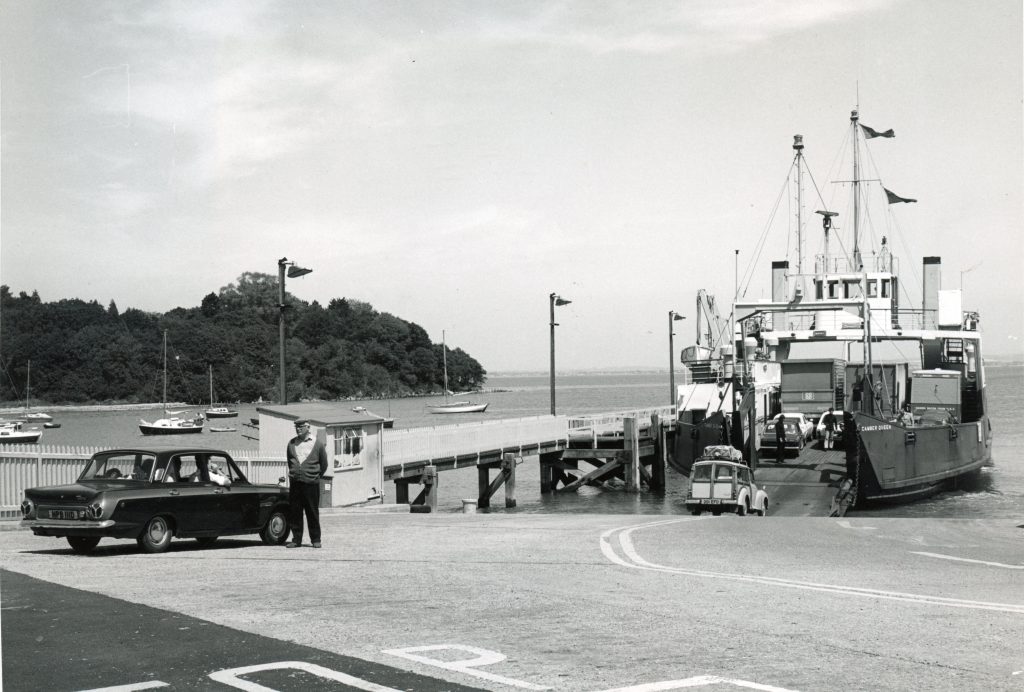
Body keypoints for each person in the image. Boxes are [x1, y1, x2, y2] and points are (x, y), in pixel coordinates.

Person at [285, 419, 328, 549]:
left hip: (311, 483)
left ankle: (315, 539)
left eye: (301, 426)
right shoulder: (291, 443)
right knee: (295, 512)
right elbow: (290, 461)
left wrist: (315, 476)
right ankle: (296, 539)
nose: (298, 429)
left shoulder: (317, 443)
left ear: (308, 427)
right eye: (296, 427)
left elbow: (324, 464)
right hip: (295, 483)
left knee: (312, 512)